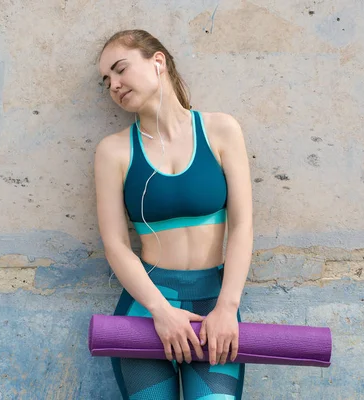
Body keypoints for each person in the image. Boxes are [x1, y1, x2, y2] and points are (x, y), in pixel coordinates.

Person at [94, 29, 253, 399]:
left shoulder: (220, 130)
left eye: (120, 69)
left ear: (158, 61)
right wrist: (160, 311)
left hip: (215, 312)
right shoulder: (113, 151)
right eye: (107, 81)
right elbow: (116, 245)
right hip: (146, 311)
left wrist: (228, 307)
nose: (114, 85)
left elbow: (243, 226)